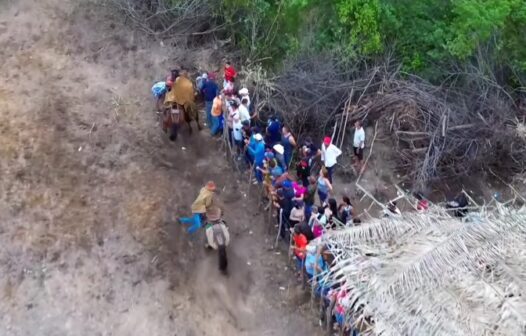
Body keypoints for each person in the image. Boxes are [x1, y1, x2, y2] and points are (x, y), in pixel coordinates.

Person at [204, 207, 230, 274]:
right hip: (220, 242)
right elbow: (226, 236)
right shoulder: (221, 224)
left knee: (210, 237)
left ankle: (223, 268)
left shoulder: (209, 227)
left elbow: (211, 239)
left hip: (219, 242)